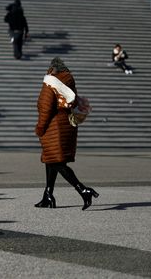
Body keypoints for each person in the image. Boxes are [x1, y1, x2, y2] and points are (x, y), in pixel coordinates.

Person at [34, 57, 99, 210]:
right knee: (51, 160)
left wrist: (40, 128)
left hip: (53, 126)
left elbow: (46, 108)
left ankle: (83, 190)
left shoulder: (51, 82)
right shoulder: (69, 82)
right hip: (66, 124)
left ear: (52, 70)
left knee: (57, 162)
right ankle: (48, 195)